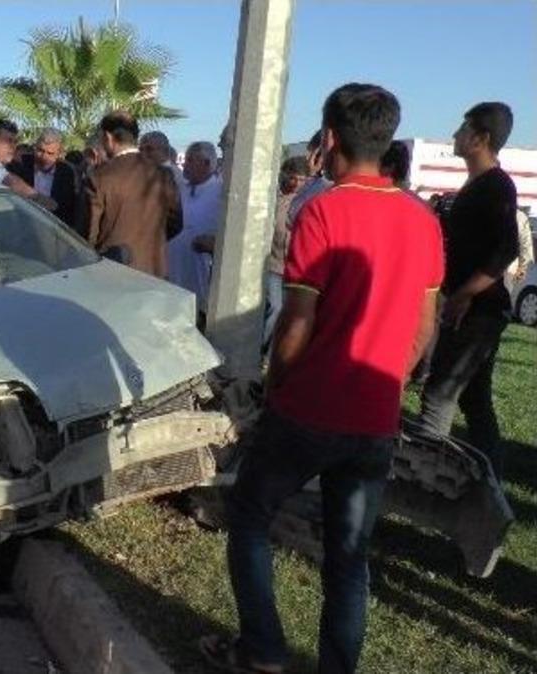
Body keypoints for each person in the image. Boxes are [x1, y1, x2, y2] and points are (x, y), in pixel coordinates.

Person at [202, 83, 444, 674]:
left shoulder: (324, 210)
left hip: (309, 408)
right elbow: (423, 327)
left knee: (250, 515)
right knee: (348, 556)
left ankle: (261, 649)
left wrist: (276, 384)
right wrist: (392, 380)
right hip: (376, 418)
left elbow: (295, 323)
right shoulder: (422, 220)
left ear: (329, 138)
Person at [416, 102, 519, 479]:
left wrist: (464, 294)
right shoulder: (475, 185)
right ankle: (488, 480)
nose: (455, 136)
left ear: (480, 138)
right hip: (468, 307)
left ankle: (422, 479)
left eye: (462, 130)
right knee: (475, 401)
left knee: (439, 396)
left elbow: (508, 249)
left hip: (480, 312)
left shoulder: (496, 185)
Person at [81, 111, 182, 276]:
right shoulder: (163, 174)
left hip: (110, 274)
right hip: (154, 271)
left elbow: (88, 234)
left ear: (107, 137)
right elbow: (175, 223)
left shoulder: (98, 177)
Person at [167, 141, 224, 322]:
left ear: (207, 164)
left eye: (191, 160)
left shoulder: (222, 192)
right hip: (174, 270)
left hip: (202, 271)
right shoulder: (180, 188)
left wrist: (214, 242)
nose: (185, 164)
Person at [263, 155, 311, 350]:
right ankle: (263, 347)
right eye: (294, 178)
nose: (297, 183)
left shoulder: (305, 202)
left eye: (302, 180)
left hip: (293, 267)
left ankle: (272, 352)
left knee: (287, 312)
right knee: (276, 308)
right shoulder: (276, 199)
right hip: (274, 264)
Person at [0, 118, 57, 210]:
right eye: (8, 141)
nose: (13, 146)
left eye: (15, 142)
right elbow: (12, 182)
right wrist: (44, 201)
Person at [6, 128, 80, 231]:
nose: (44, 157)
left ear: (59, 154)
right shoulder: (20, 164)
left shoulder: (66, 172)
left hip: (53, 230)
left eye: (50, 153)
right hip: (21, 228)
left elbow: (68, 209)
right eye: (40, 151)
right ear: (34, 148)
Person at [287, 131, 331, 226]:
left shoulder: (323, 187)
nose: (307, 158)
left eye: (311, 153)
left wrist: (311, 176)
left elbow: (293, 215)